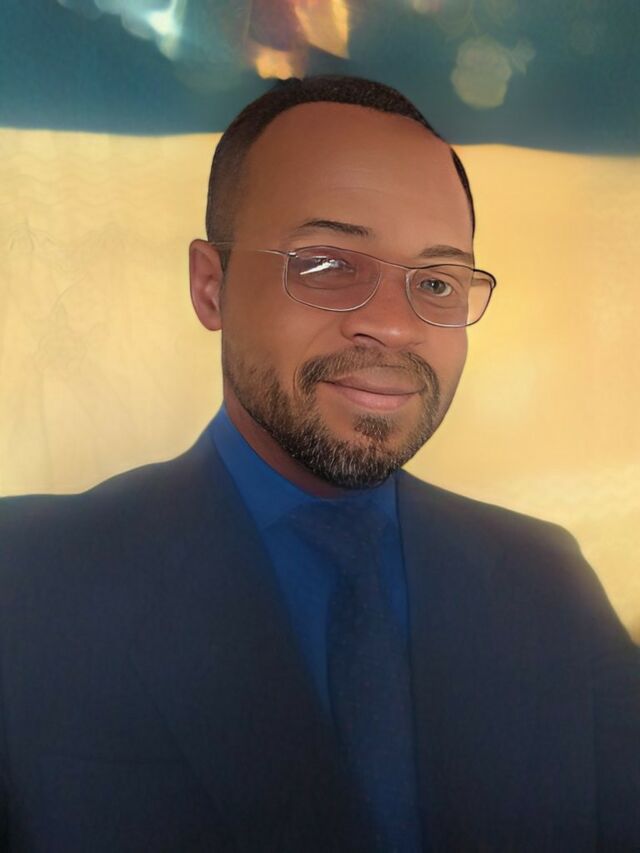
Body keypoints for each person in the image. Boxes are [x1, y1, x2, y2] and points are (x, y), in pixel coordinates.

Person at [0, 74, 638, 853]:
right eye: (329, 265)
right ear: (211, 286)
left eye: (437, 281)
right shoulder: (24, 580)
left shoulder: (546, 578)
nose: (394, 326)